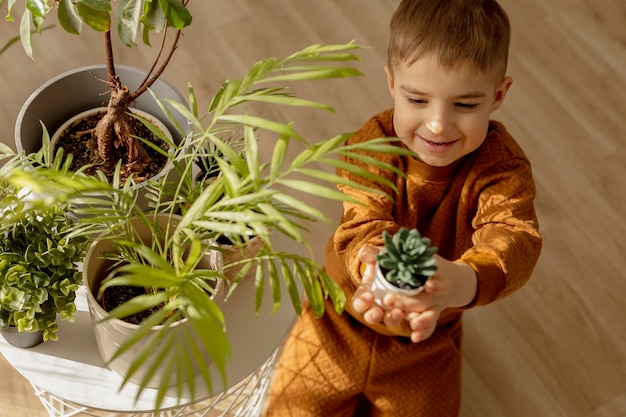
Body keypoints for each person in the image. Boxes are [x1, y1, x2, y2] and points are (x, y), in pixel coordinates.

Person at [263, 0, 542, 415]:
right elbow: (363, 222)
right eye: (417, 100)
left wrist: (458, 280)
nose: (437, 124)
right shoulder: (370, 145)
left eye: (465, 105)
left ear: (498, 94)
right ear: (392, 84)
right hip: (336, 320)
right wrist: (376, 270)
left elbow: (515, 238)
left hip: (425, 341)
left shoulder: (502, 169)